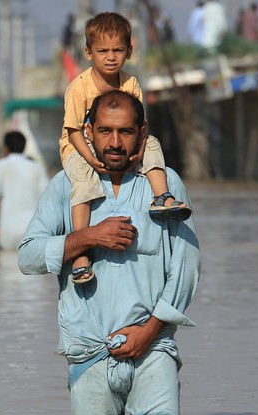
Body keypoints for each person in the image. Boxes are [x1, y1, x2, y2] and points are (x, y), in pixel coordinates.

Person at [18, 90, 200, 415]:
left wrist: (148, 333)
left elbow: (186, 268)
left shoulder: (166, 185)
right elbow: (28, 256)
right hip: (88, 353)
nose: (115, 142)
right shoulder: (66, 185)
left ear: (142, 133)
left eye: (125, 132)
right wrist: (89, 237)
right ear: (88, 132)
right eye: (104, 131)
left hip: (153, 351)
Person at [60, 12, 189, 285]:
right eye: (102, 51)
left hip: (121, 150)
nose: (110, 57)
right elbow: (73, 131)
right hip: (80, 147)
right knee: (82, 181)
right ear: (88, 53)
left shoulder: (131, 84)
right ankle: (81, 253)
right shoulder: (78, 87)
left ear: (129, 51)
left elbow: (139, 126)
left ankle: (161, 197)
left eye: (118, 50)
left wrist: (138, 153)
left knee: (153, 143)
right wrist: (91, 160)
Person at [0, 131, 49, 251]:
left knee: (5, 265)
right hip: (32, 230)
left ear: (6, 148)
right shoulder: (37, 168)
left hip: (7, 230)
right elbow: (47, 200)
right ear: (24, 147)